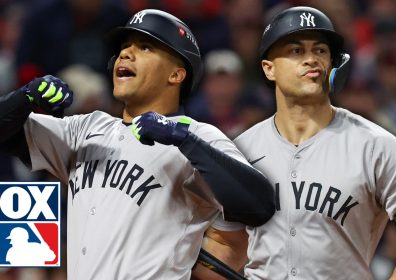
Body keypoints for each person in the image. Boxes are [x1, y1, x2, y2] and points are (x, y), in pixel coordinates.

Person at [0, 9, 275, 279]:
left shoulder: (196, 135)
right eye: (124, 47)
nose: (125, 53)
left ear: (176, 75)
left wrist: (183, 140)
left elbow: (259, 205)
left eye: (144, 47)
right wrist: (25, 98)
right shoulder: (86, 128)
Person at [201, 6, 396, 280]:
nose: (311, 59)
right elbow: (228, 244)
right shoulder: (239, 151)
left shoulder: (378, 146)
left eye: (320, 50)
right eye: (296, 51)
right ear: (269, 69)